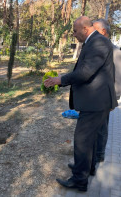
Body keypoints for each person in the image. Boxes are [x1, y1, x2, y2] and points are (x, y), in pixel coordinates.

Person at [44, 16, 117, 191]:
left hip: (96, 102)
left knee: (82, 140)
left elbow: (84, 73)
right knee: (89, 139)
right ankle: (86, 169)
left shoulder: (98, 43)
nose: (74, 35)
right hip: (96, 101)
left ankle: (79, 180)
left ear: (85, 29)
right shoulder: (94, 42)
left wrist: (60, 80)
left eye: (75, 31)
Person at [93, 19, 121, 162]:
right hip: (96, 97)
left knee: (102, 127)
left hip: (107, 98)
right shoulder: (99, 49)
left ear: (103, 31)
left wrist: (113, 99)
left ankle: (100, 155)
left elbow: (119, 77)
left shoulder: (115, 51)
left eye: (95, 30)